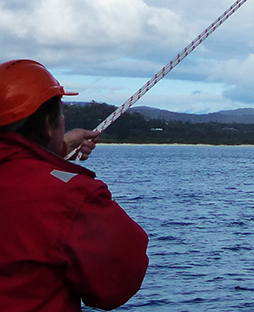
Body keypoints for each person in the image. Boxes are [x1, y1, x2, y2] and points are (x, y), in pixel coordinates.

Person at [0, 59, 149, 312]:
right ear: (49, 124)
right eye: (60, 114)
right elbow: (116, 285)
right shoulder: (71, 197)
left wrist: (54, 151)